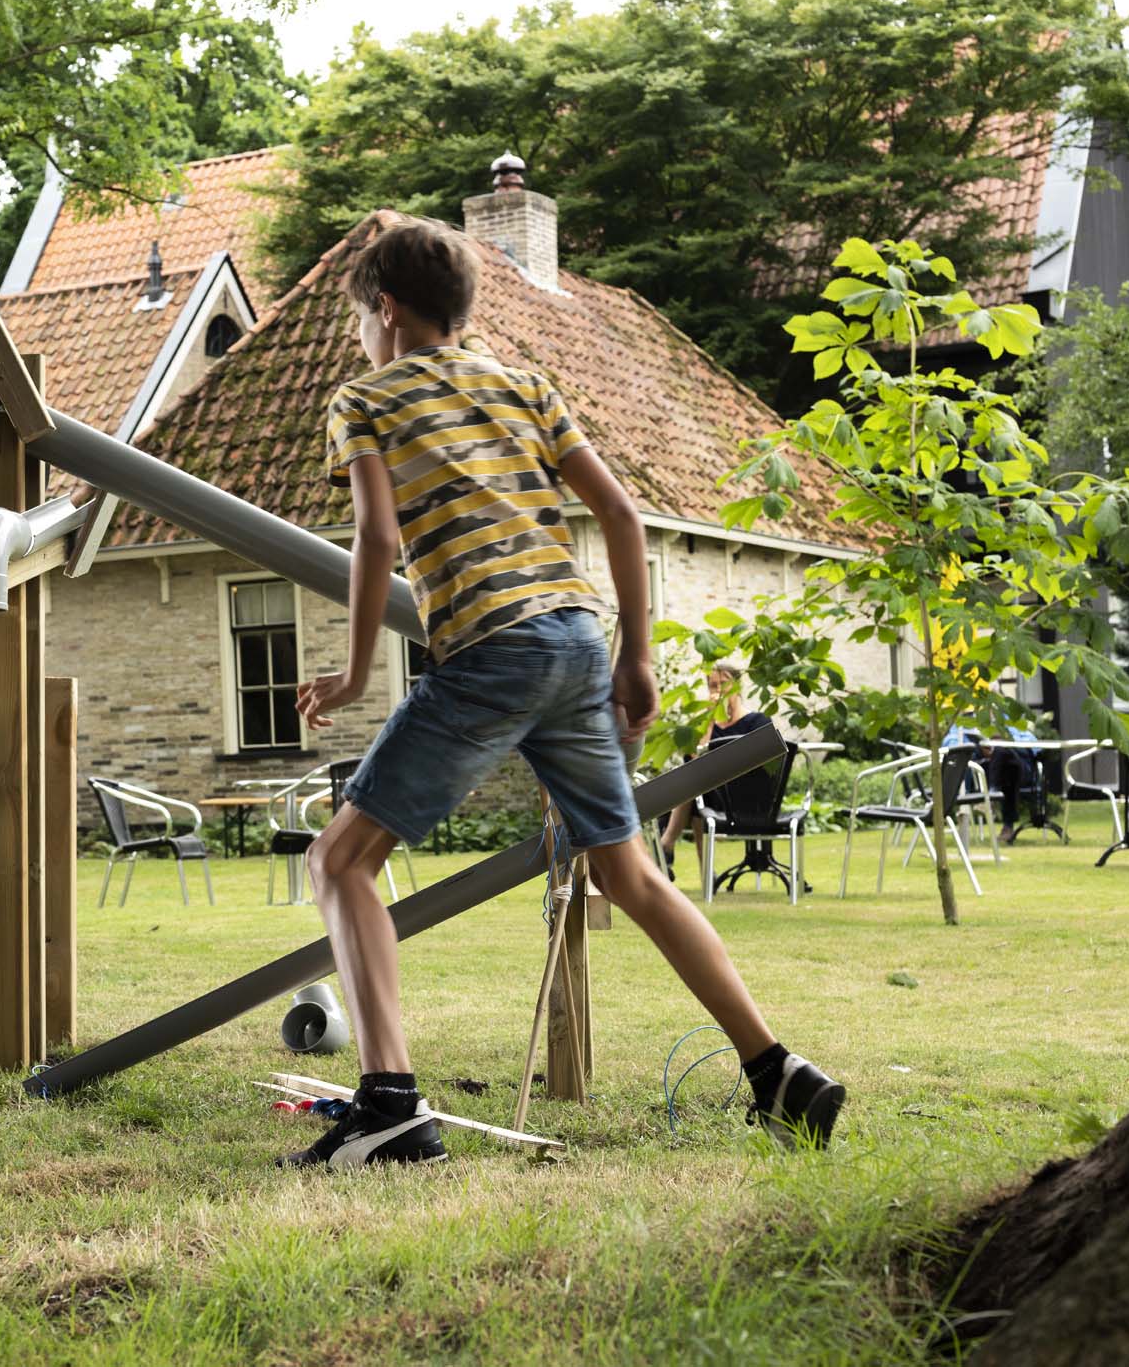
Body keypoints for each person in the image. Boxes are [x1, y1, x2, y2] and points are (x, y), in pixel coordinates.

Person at [287, 217, 844, 1168]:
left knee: (339, 862)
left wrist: (348, 670)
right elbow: (621, 512)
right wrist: (637, 656)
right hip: (579, 638)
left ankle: (388, 1103)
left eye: (358, 322)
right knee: (629, 873)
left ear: (384, 309)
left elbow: (377, 539)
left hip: (493, 648)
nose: (358, 340)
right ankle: (777, 1070)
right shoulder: (523, 382)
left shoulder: (365, 399)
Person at [657, 665, 772, 879]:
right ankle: (705, 874)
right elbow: (693, 761)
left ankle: (666, 844)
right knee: (696, 788)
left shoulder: (757, 722)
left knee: (693, 787)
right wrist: (710, 720)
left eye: (723, 684)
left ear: (737, 686)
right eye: (712, 685)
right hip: (708, 797)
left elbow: (764, 767)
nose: (717, 690)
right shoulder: (707, 725)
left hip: (746, 799)